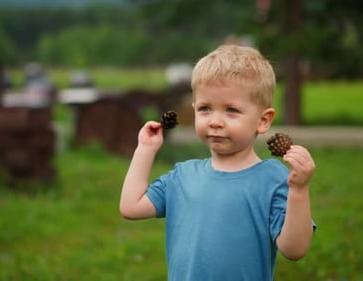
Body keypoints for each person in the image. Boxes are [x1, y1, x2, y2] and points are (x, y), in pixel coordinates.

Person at [119, 44, 316, 281]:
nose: (215, 121)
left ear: (263, 120)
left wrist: (299, 189)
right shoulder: (183, 176)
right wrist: (145, 150)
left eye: (231, 110)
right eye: (205, 109)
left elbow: (294, 249)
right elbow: (131, 207)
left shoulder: (272, 179)